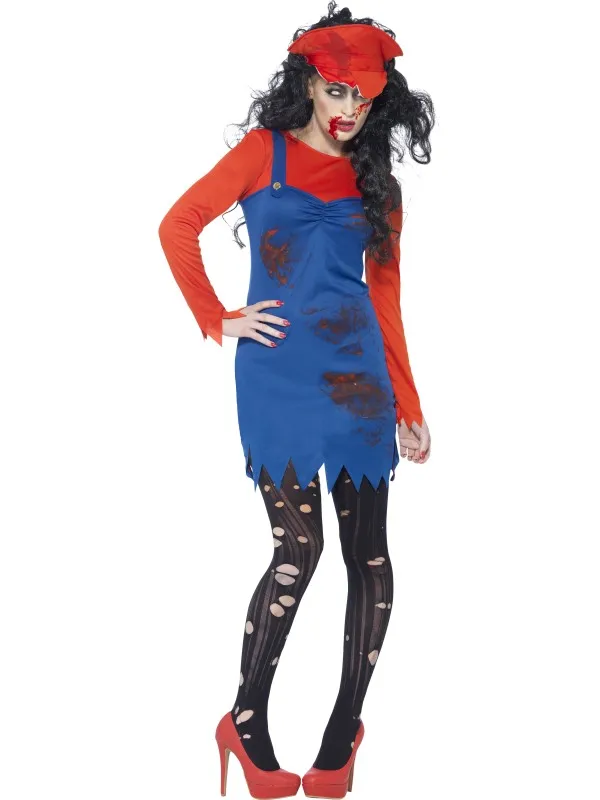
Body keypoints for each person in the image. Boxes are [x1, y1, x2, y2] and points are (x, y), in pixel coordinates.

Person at [158, 3, 434, 797]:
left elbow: (386, 299)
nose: (350, 110)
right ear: (309, 83)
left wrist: (409, 403)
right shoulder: (263, 153)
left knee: (368, 554)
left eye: (365, 98)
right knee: (297, 550)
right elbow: (178, 225)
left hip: (358, 381)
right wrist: (218, 317)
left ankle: (344, 730)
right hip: (276, 377)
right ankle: (244, 719)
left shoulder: (378, 185)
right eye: (338, 91)